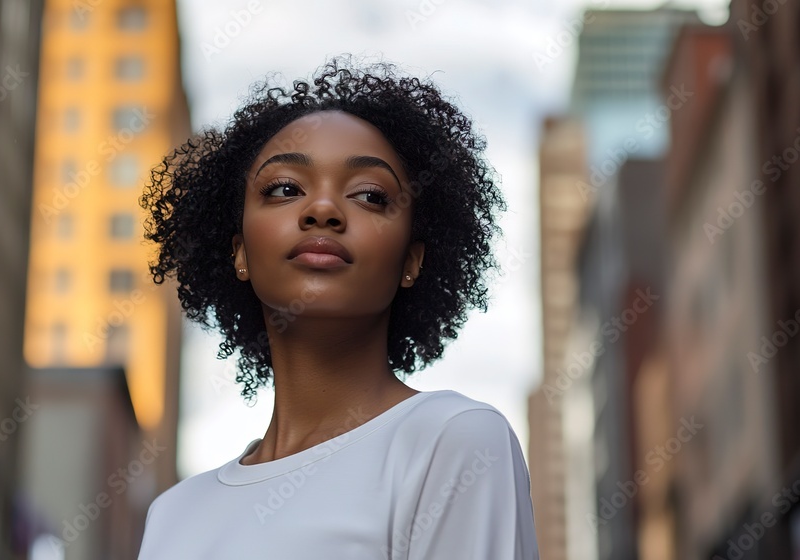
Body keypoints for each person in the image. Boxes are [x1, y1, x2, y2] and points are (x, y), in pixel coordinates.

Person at [136, 54, 540, 560]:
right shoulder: (173, 515)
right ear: (238, 251)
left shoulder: (453, 440)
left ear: (412, 260)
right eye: (284, 189)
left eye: (369, 196)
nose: (323, 209)